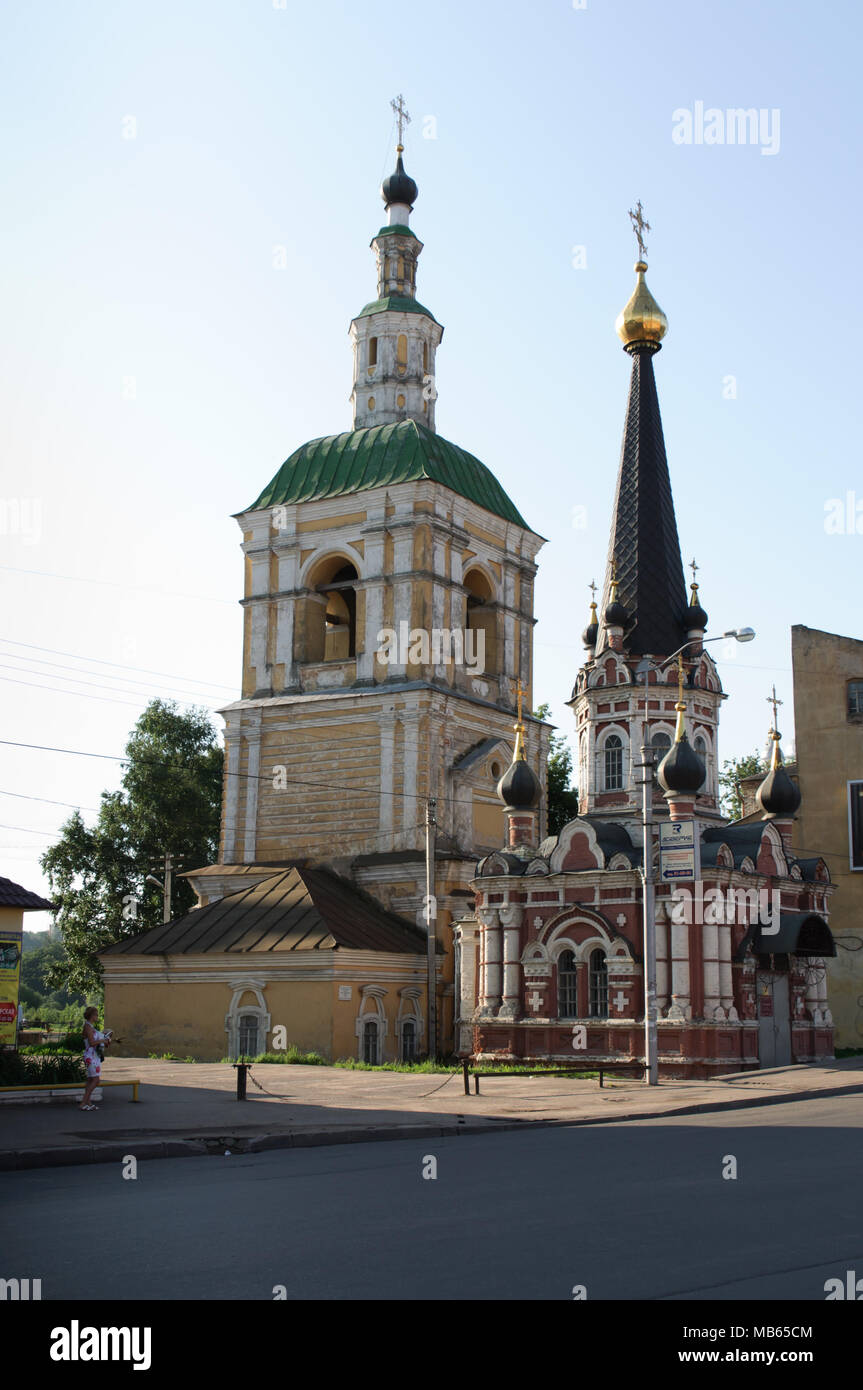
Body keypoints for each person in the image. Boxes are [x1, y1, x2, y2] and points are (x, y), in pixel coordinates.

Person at [80, 1006, 114, 1111]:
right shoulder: (88, 1027)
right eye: (96, 1014)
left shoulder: (91, 1027)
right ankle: (83, 1102)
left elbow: (96, 1040)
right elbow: (91, 1042)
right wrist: (102, 1041)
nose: (97, 1017)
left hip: (94, 1056)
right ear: (91, 1015)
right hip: (90, 1056)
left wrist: (105, 1040)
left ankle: (88, 1102)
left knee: (90, 1080)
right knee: (96, 1080)